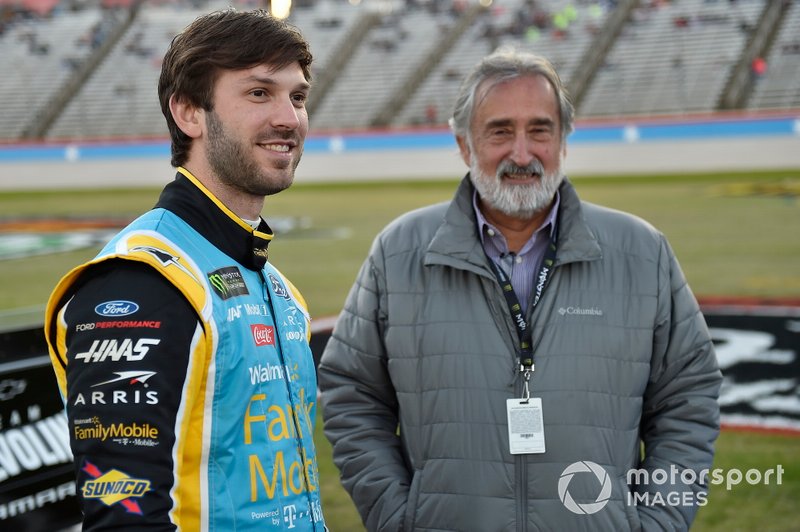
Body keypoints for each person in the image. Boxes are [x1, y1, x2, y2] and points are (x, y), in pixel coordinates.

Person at [318, 48, 721, 531]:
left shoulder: (642, 252)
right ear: (465, 145)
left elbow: (688, 395)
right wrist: (398, 516)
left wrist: (657, 522)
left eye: (540, 130)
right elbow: (352, 393)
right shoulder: (399, 252)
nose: (522, 153)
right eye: (501, 131)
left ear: (563, 140)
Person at [44, 9, 326, 531]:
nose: (289, 117)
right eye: (259, 93)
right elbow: (124, 517)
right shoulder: (142, 280)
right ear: (189, 113)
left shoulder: (274, 285)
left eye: (298, 96)